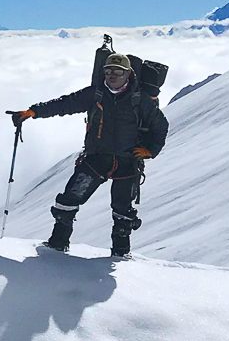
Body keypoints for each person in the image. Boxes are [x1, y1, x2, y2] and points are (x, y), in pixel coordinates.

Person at [9, 49, 168, 257]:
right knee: (67, 201)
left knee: (123, 214)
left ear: (128, 74)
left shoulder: (141, 100)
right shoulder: (95, 93)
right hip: (97, 159)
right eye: (108, 70)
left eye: (118, 72)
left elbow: (160, 126)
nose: (112, 75)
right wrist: (34, 112)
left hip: (128, 162)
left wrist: (150, 151)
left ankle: (121, 257)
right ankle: (57, 246)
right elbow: (65, 103)